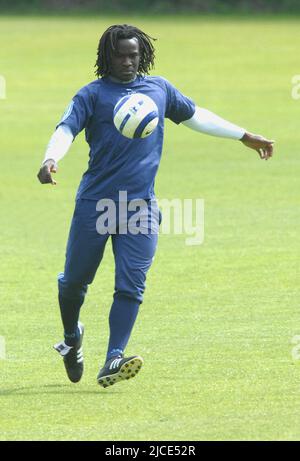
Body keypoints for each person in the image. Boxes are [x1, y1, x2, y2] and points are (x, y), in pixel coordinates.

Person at [37, 24, 274, 388]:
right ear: (107, 57)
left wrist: (243, 135)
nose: (128, 61)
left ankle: (114, 358)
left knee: (131, 285)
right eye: (121, 55)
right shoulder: (92, 95)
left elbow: (197, 116)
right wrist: (50, 159)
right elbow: (66, 128)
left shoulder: (158, 89)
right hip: (95, 206)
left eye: (134, 55)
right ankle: (72, 339)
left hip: (140, 208)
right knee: (74, 284)